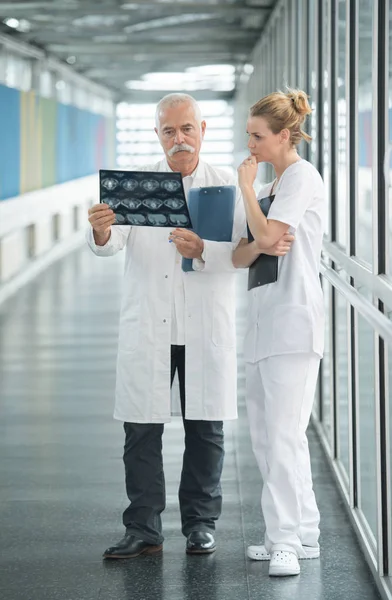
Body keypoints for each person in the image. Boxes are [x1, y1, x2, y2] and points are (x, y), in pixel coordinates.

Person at [86, 93, 292, 559]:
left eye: (186, 129)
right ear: (157, 135)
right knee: (140, 430)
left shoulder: (227, 184)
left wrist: (203, 251)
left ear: (202, 130)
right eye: (168, 131)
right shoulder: (135, 184)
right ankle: (143, 528)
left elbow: (247, 251)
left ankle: (200, 524)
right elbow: (110, 242)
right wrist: (100, 228)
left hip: (203, 327)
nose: (178, 139)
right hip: (149, 325)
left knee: (206, 429)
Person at [232, 89, 325, 577]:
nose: (250, 145)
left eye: (257, 136)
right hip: (263, 321)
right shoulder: (271, 190)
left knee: (284, 436)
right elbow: (240, 253)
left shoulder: (300, 177)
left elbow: (264, 238)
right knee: (271, 437)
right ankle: (302, 532)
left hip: (292, 320)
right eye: (248, 135)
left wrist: (248, 194)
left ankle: (284, 540)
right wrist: (260, 234)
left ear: (284, 135)